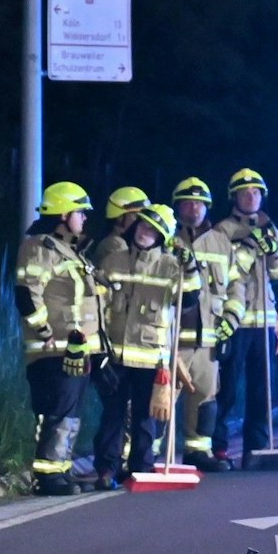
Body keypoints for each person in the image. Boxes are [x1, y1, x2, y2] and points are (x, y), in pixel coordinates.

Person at [16, 181, 105, 496]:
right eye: (80, 211)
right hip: (52, 350)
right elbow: (27, 292)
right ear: (64, 214)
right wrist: (44, 332)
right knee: (56, 411)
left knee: (70, 411)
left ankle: (61, 470)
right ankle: (49, 476)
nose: (84, 218)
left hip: (75, 350)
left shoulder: (70, 249)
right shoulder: (41, 246)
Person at [93, 202, 183, 485]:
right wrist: (97, 350)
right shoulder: (113, 261)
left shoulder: (171, 267)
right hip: (115, 355)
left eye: (153, 229)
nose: (145, 232)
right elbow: (96, 305)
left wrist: (189, 268)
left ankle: (141, 468)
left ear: (162, 237)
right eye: (143, 225)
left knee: (146, 416)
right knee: (112, 414)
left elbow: (189, 299)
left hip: (150, 357)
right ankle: (107, 469)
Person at [212, 168, 278, 469]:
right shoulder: (222, 232)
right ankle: (217, 447)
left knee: (262, 390)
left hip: (265, 323)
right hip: (235, 322)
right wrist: (248, 249)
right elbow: (225, 275)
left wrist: (272, 252)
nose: (251, 197)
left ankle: (255, 449)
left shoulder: (271, 228)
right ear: (234, 197)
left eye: (256, 192)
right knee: (227, 388)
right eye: (245, 192)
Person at [169, 177, 241, 471]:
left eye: (199, 203)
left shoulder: (221, 242)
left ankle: (198, 453)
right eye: (188, 202)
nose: (194, 208)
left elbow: (237, 288)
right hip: (173, 338)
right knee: (160, 399)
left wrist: (231, 321)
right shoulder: (167, 239)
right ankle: (147, 457)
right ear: (178, 207)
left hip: (208, 338)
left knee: (205, 398)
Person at [92, 186, 150, 264]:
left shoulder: (125, 243)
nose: (141, 222)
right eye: (137, 216)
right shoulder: (115, 245)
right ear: (120, 217)